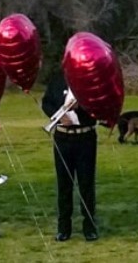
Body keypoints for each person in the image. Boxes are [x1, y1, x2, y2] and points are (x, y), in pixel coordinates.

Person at [40, 69, 98, 242]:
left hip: (85, 137)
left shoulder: (89, 80)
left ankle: (90, 227)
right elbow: (46, 103)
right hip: (63, 137)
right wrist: (57, 116)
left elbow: (97, 108)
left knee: (86, 184)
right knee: (64, 184)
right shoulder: (58, 78)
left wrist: (80, 107)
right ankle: (64, 228)